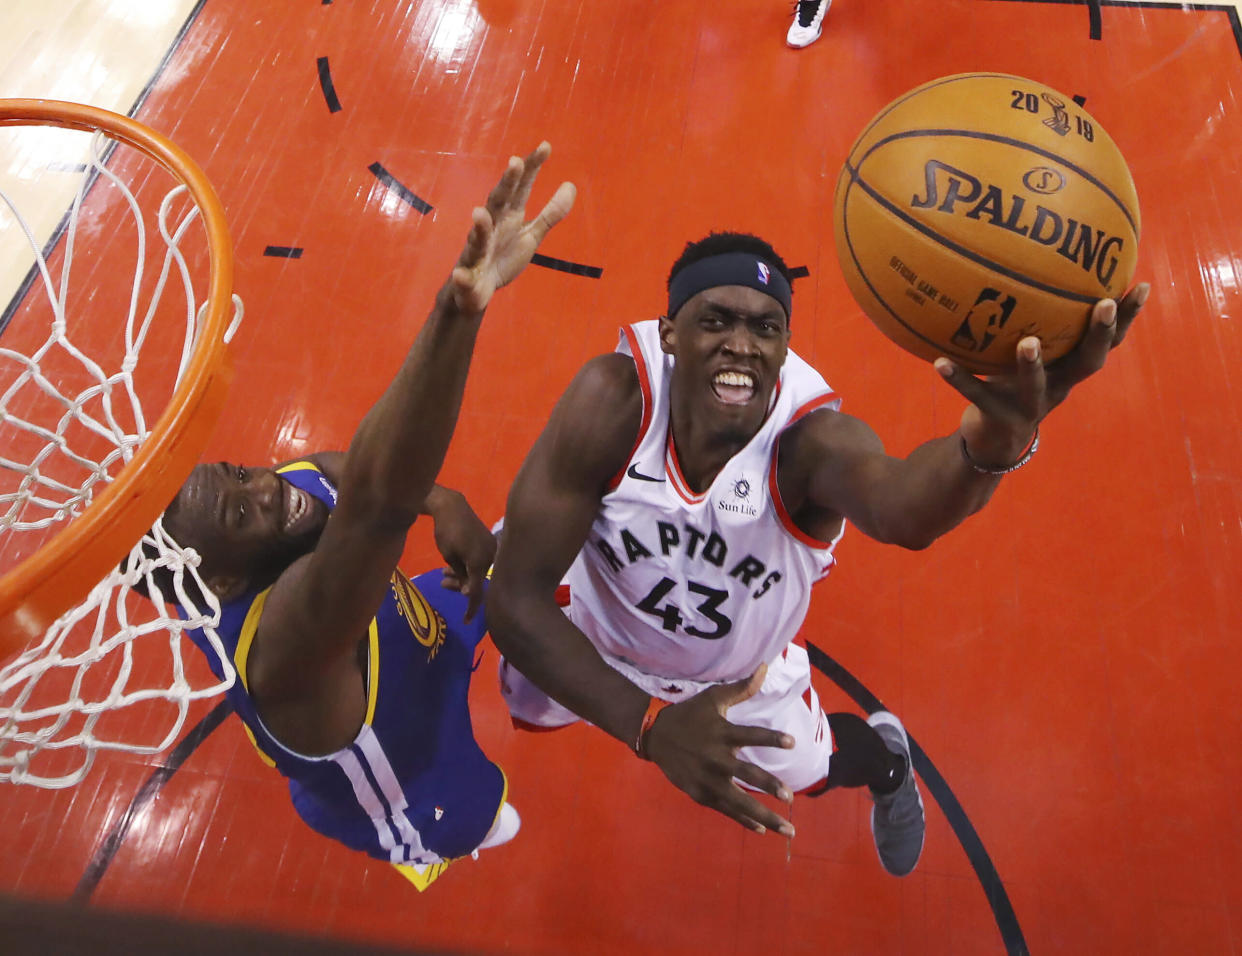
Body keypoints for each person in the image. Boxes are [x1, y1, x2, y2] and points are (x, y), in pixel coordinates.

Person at [486, 231, 1146, 877]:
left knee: (818, 769)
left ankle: (888, 762)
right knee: (476, 627)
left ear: (784, 346)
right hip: (596, 640)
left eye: (765, 329)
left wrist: (991, 448)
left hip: (732, 679)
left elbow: (903, 510)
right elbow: (515, 600)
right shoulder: (615, 400)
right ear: (669, 335)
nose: (741, 345)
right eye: (715, 320)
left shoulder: (811, 443)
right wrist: (649, 728)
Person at [143, 143, 575, 889]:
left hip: (409, 629)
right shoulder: (286, 647)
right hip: (413, 782)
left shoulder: (261, 511)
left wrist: (439, 501)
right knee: (490, 817)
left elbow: (331, 470)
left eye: (240, 473)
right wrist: (457, 310)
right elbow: (374, 502)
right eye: (242, 511)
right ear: (213, 575)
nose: (267, 490)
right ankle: (442, 847)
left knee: (502, 574)